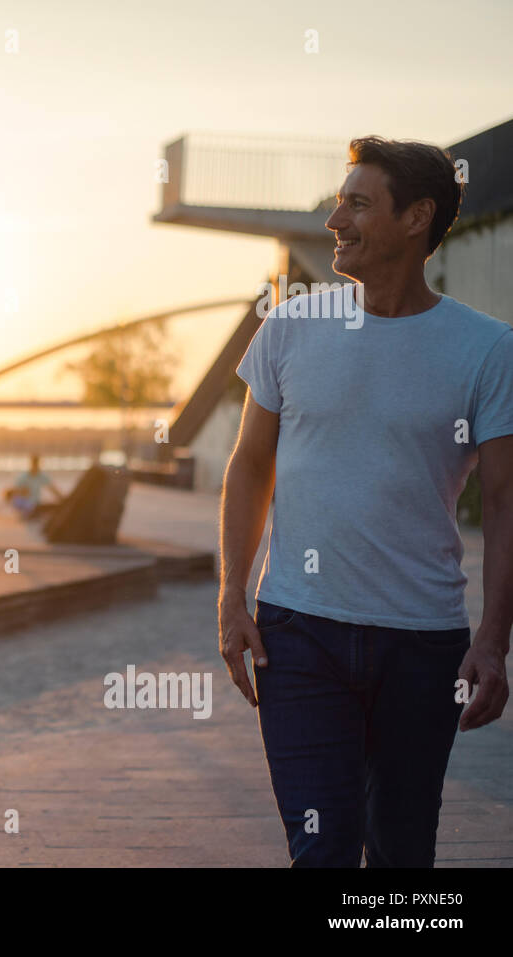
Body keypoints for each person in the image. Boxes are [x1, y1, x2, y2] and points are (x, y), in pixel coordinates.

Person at [219, 135, 513, 867]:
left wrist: (493, 641)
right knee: (321, 849)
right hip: (300, 634)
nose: (333, 221)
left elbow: (506, 501)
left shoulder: (486, 349)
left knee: (402, 853)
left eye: (356, 203)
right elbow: (250, 464)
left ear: (416, 219)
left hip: (423, 642)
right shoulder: (290, 325)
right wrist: (231, 594)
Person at [4, 454, 64, 519]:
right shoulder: (23, 477)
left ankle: (33, 513)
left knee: (51, 507)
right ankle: (29, 513)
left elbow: (53, 489)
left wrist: (63, 500)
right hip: (26, 505)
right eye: (34, 463)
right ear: (31, 464)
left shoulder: (42, 476)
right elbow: (15, 493)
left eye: (37, 464)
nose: (36, 466)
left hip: (35, 504)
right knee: (22, 503)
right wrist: (22, 492)